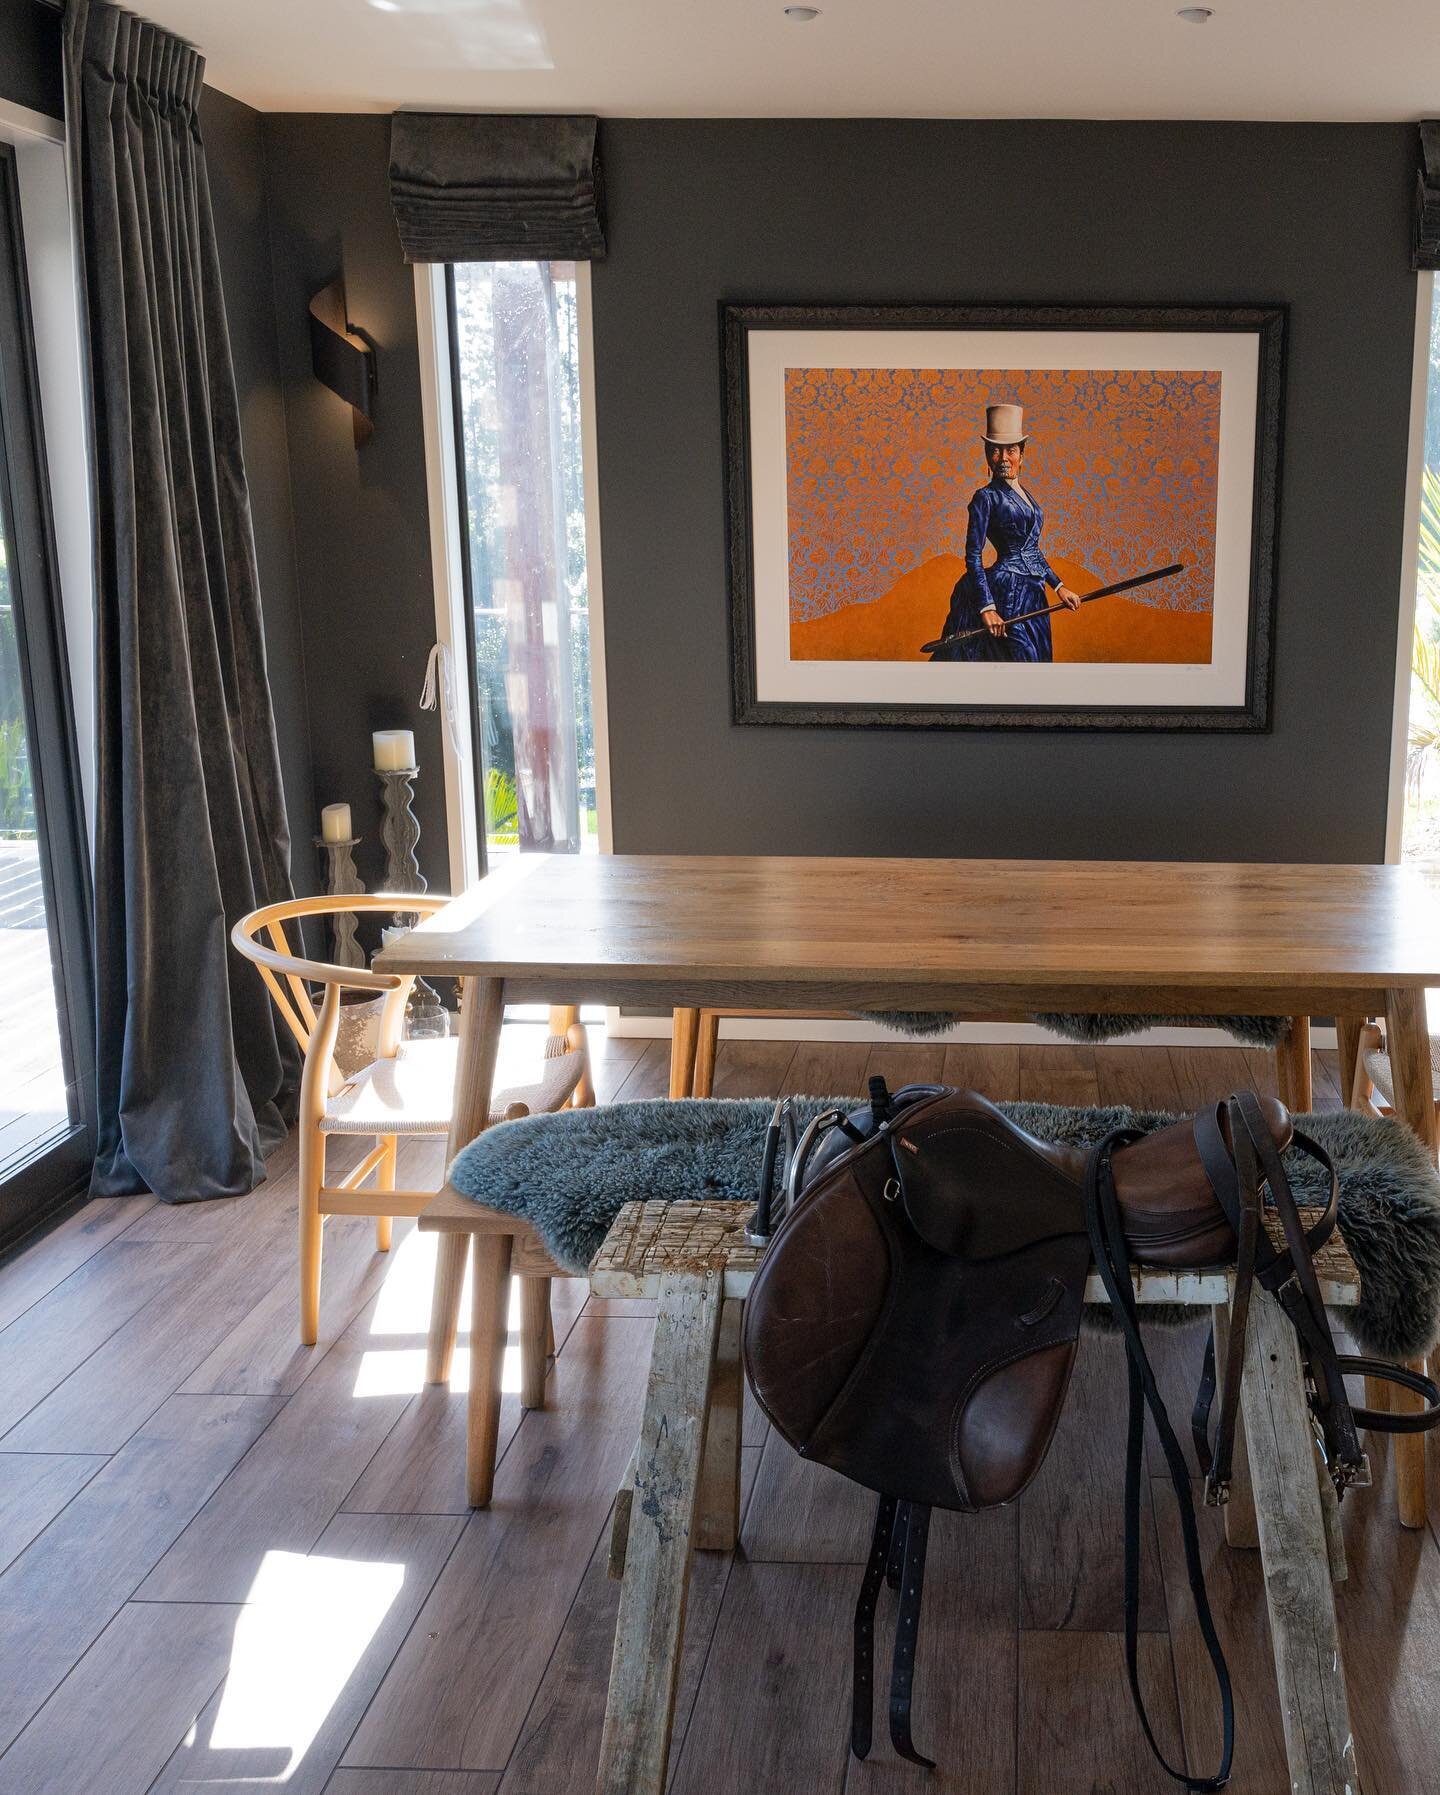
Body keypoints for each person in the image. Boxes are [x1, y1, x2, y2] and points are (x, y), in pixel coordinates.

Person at [930, 403, 1081, 663]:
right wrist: (987, 607)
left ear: (1022, 456)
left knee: (1039, 663)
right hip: (1006, 594)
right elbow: (973, 557)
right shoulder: (985, 498)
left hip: (1034, 597)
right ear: (987, 455)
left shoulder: (1029, 499)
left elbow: (1031, 549)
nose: (1003, 459)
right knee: (1022, 662)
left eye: (1010, 450)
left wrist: (1058, 586)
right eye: (995, 451)